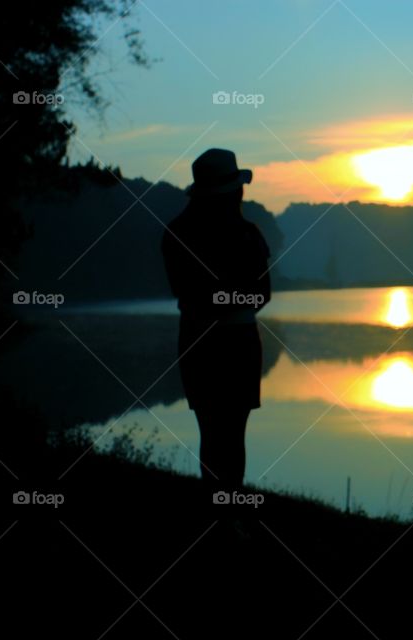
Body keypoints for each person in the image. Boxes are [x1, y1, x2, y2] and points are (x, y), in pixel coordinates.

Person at [161, 148, 271, 500]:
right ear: (234, 190)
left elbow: (190, 294)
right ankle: (227, 511)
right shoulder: (247, 234)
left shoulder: (177, 233)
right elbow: (261, 294)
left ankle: (217, 511)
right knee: (231, 436)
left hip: (196, 340)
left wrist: (217, 298)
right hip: (237, 341)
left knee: (211, 433)